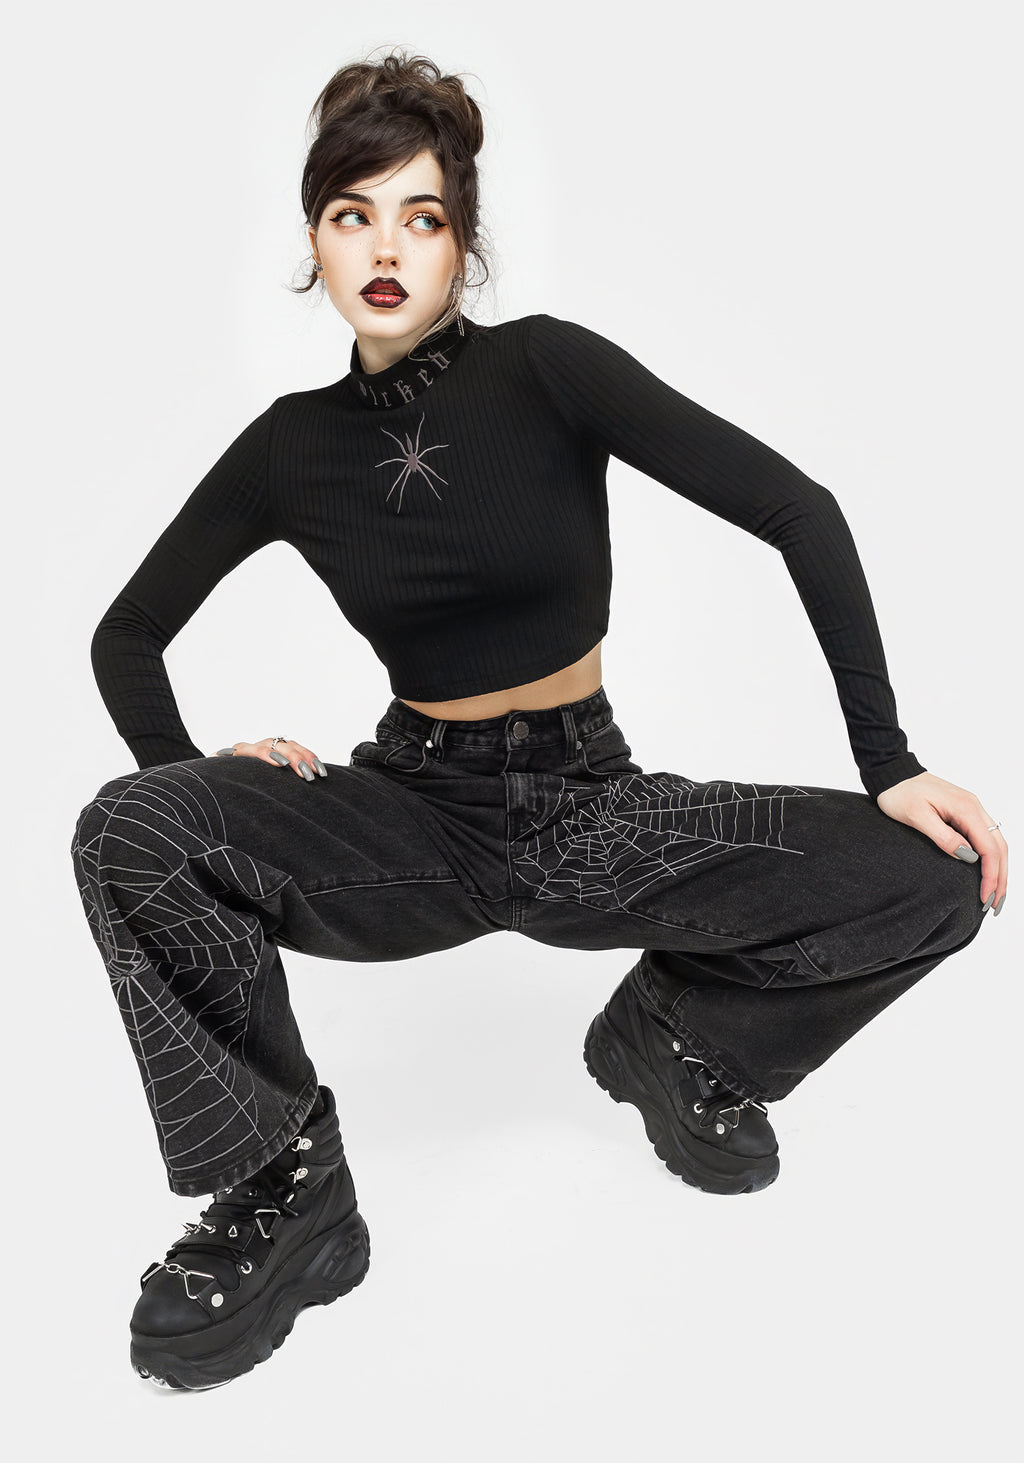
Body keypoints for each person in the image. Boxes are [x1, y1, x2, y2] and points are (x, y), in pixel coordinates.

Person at [70, 50, 1007, 1392]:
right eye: (352, 216)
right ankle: (284, 1188)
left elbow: (798, 510)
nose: (385, 249)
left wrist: (890, 762)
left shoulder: (547, 369)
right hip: (411, 817)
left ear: (463, 241)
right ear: (314, 241)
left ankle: (681, 1039)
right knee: (129, 828)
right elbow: (127, 634)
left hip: (594, 811)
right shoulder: (289, 447)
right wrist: (188, 772)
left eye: (421, 217)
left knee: (938, 878)